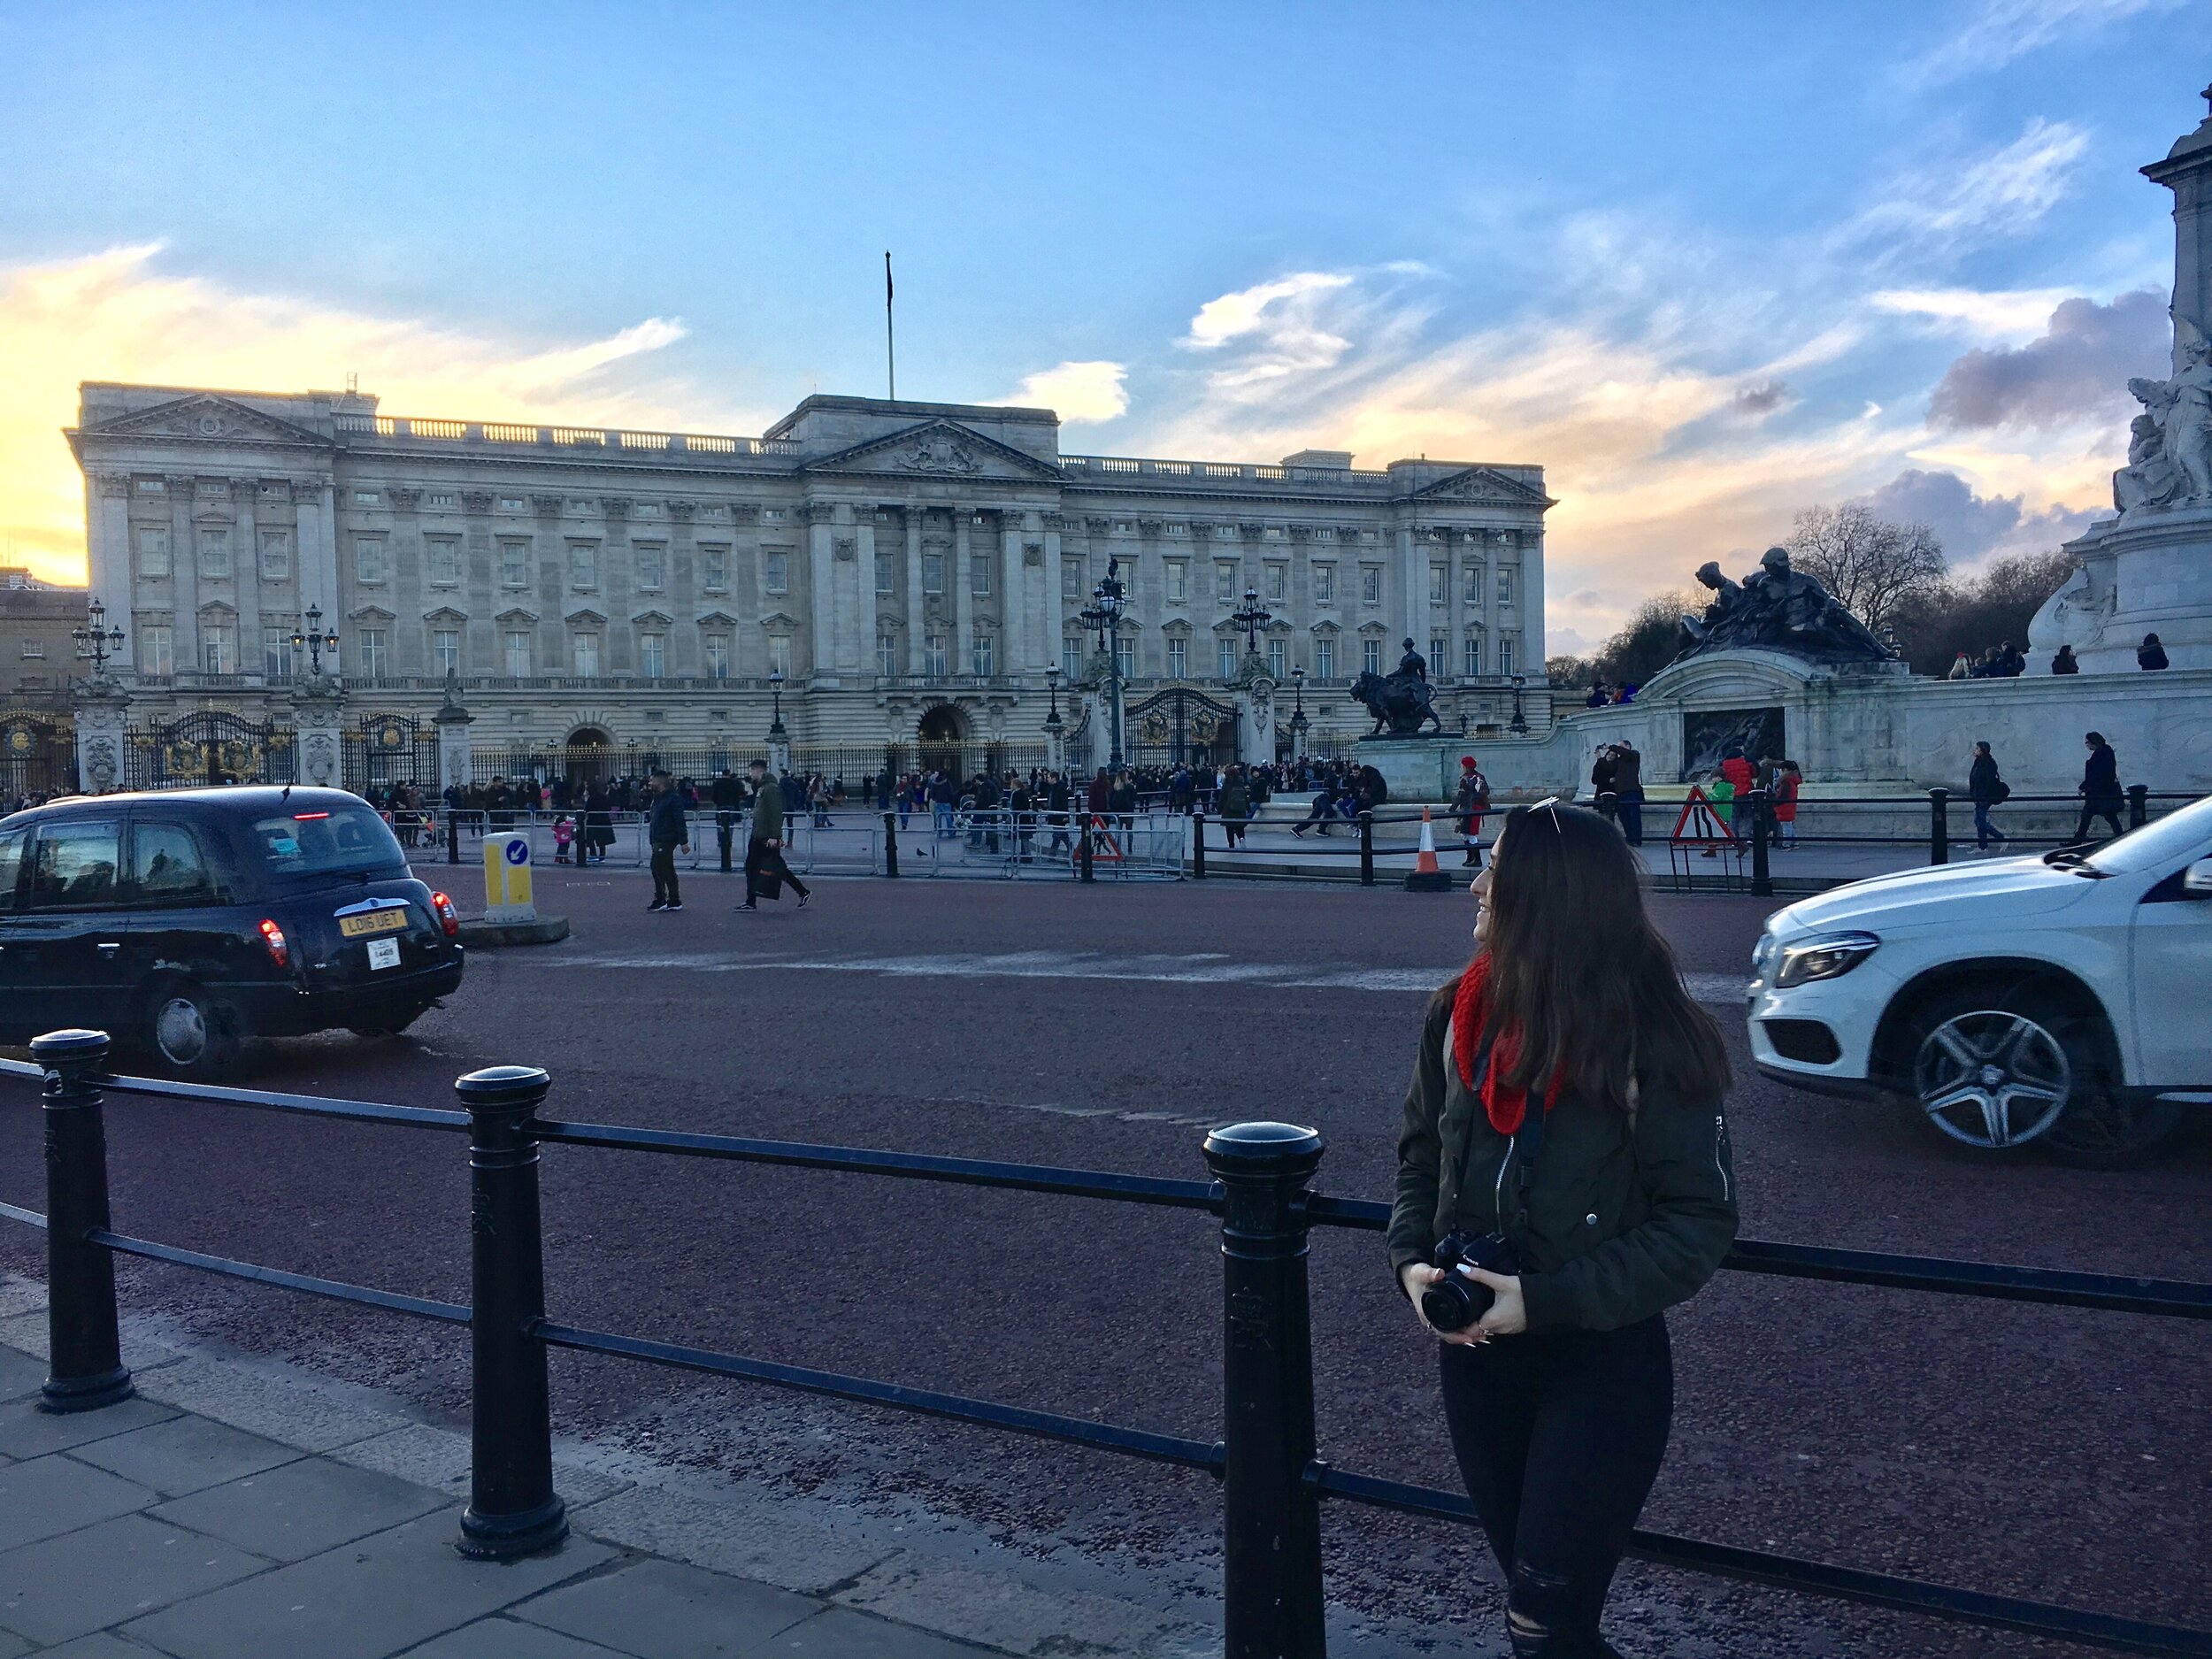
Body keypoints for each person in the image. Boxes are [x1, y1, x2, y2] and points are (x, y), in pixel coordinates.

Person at [1390, 800, 1736, 1659]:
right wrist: (1410, 1264)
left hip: (1599, 1363)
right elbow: (1417, 1156)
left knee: (1541, 1627)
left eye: (1496, 871)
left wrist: (1545, 1301)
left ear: (1545, 899)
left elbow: (1698, 1222)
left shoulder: (1653, 1038)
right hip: (1475, 1356)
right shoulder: (1455, 1016)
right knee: (1546, 1622)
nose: (1474, 884)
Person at [737, 757, 810, 910]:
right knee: (754, 867)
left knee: (777, 868)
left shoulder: (771, 788)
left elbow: (776, 813)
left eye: (751, 770)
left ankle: (802, 891)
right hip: (758, 835)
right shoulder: (763, 787)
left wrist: (775, 836)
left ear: (758, 770)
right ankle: (751, 901)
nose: (750, 774)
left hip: (766, 837)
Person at [644, 771, 689, 911]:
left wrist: (684, 842)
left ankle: (663, 898)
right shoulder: (658, 798)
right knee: (662, 868)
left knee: (660, 868)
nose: (650, 783)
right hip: (658, 837)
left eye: (652, 781)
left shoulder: (673, 799)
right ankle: (672, 899)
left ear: (660, 782)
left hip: (666, 838)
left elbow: (679, 821)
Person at [2073, 731, 2124, 846]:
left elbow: (2097, 774)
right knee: (2105, 816)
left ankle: (2077, 841)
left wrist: (2083, 786)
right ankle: (2121, 837)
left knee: (2099, 816)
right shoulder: (2104, 752)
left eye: (2087, 742)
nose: (2086, 745)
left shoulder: (2102, 753)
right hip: (2100, 793)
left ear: (2093, 742)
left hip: (2100, 793)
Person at [1968, 741, 2008, 854]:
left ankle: (2000, 838)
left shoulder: (1988, 764)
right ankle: (1982, 846)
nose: (1974, 750)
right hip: (1979, 796)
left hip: (1984, 797)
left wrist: (1981, 796)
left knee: (1979, 822)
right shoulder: (1979, 762)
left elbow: (1987, 782)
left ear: (1982, 750)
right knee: (1979, 821)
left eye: (1977, 748)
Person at [1453, 756, 1491, 868]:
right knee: (1464, 833)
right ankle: (1470, 857)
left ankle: (1477, 859)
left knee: (1471, 833)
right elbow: (1460, 795)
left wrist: (1468, 792)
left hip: (1474, 808)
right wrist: (1452, 808)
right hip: (1465, 808)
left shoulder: (1478, 777)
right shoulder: (1465, 778)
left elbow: (1483, 792)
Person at [1609, 741, 1644, 847]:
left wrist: (1612, 746)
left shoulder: (1634, 755)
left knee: (1634, 816)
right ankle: (1630, 837)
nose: (1619, 749)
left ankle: (1636, 839)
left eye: (1621, 746)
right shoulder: (1619, 761)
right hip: (1620, 792)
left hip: (1631, 791)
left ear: (1627, 746)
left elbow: (1625, 753)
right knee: (1623, 817)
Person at [1218, 764, 1251, 848]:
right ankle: (1241, 838)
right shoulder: (1240, 782)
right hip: (1240, 809)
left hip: (1228, 809)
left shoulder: (1227, 783)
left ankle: (1231, 844)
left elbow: (1222, 796)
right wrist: (1248, 807)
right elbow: (1244, 795)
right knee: (1240, 827)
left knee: (1229, 828)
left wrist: (1219, 808)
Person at [1773, 761, 1801, 849]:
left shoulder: (1786, 782)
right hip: (1790, 806)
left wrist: (1776, 802)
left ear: (1784, 770)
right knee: (1790, 825)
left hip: (1784, 806)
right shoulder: (1793, 780)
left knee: (1786, 826)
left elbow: (1782, 795)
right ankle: (1794, 842)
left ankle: (1786, 844)